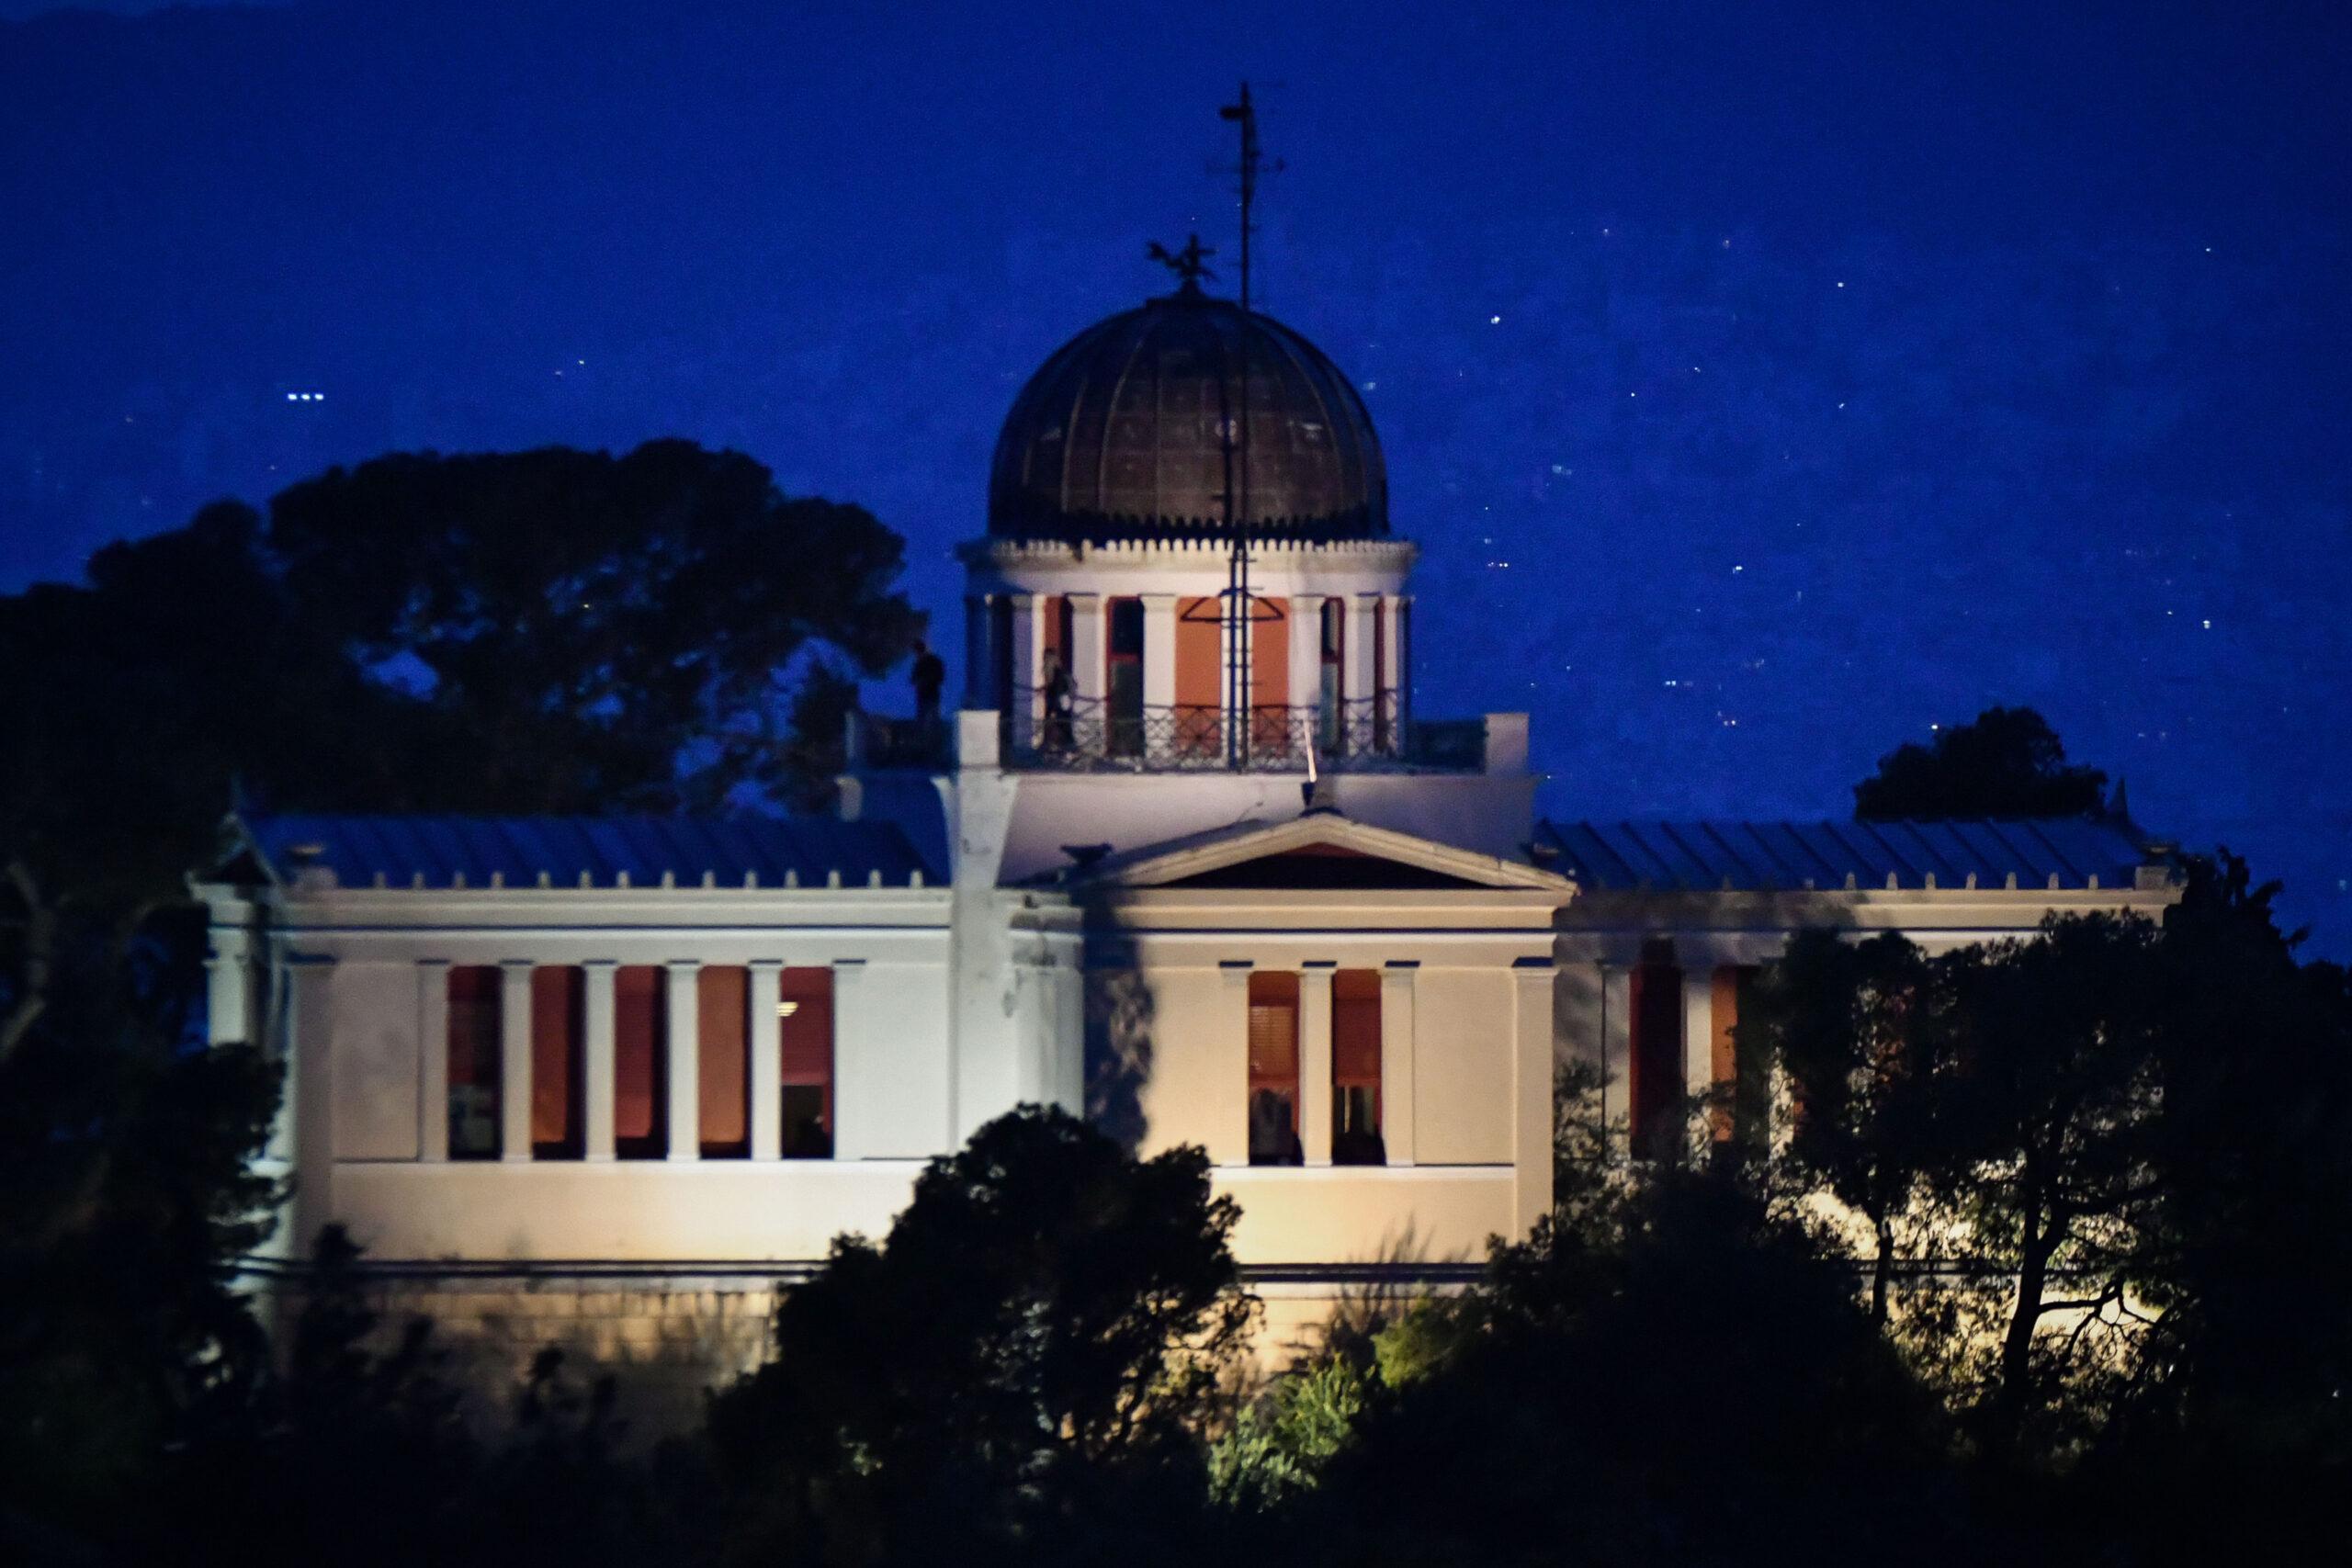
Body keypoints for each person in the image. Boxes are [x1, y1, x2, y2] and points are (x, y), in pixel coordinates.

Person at [1041, 648, 1074, 751]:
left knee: (1061, 725)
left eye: (1046, 659)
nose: (1044, 662)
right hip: (1060, 705)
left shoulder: (1058, 674)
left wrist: (1053, 710)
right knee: (1063, 726)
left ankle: (1066, 747)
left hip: (1058, 706)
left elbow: (1057, 691)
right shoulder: (1059, 673)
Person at [910, 638, 945, 732]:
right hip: (928, 696)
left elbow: (914, 680)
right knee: (929, 718)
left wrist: (923, 681)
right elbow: (913, 679)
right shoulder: (924, 663)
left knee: (928, 718)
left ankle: (929, 736)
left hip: (928, 695)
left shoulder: (923, 663)